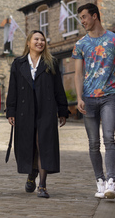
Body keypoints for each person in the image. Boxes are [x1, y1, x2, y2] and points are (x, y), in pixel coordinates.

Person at [72, 3, 115, 200]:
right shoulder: (80, 44)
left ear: (95, 16)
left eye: (84, 17)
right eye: (80, 18)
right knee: (93, 143)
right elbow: (78, 73)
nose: (82, 21)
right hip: (88, 99)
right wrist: (79, 98)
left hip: (109, 96)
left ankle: (111, 181)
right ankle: (100, 181)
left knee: (109, 138)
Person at [6, 30, 69, 199]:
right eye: (36, 39)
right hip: (24, 111)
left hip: (46, 110)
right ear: (28, 42)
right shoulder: (18, 64)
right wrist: (10, 110)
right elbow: (13, 89)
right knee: (30, 145)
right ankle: (31, 175)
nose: (40, 42)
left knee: (44, 146)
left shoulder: (51, 63)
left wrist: (62, 110)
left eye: (43, 39)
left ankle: (42, 185)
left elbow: (58, 88)